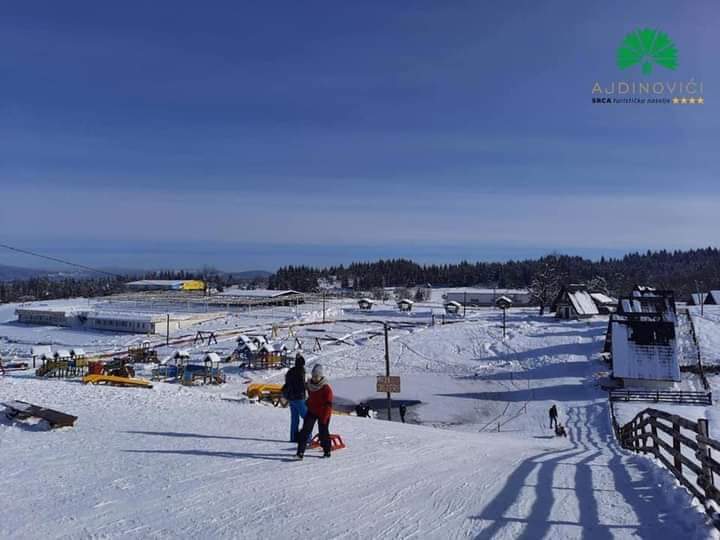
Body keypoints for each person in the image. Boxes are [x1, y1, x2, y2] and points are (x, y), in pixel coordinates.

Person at [296, 364, 333, 459]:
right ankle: (300, 453)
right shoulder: (309, 385)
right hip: (312, 411)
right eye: (313, 376)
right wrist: (308, 402)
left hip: (324, 413)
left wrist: (324, 419)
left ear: (321, 376)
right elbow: (309, 395)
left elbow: (328, 405)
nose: (315, 378)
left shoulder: (326, 388)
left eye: (317, 376)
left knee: (323, 432)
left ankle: (327, 451)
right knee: (305, 431)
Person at [284, 353, 307, 443]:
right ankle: (307, 438)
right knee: (307, 418)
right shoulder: (301, 371)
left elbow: (287, 383)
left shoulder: (290, 371)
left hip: (291, 398)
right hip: (299, 397)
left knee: (294, 419)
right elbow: (301, 385)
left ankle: (293, 437)